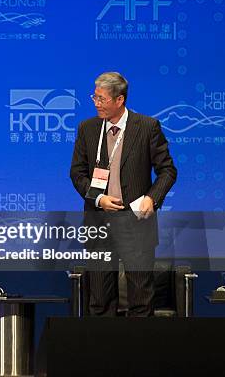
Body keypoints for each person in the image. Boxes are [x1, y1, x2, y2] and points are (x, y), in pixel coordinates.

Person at [70, 72, 177, 316]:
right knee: (99, 299)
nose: (96, 103)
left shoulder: (147, 127)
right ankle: (102, 353)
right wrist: (98, 198)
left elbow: (168, 170)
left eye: (101, 99)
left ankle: (139, 353)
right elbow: (77, 172)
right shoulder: (88, 128)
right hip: (99, 220)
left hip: (135, 221)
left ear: (119, 100)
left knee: (140, 298)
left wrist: (152, 198)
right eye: (94, 97)